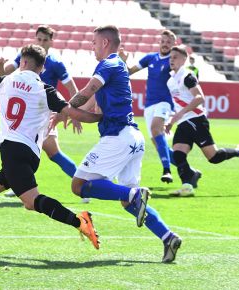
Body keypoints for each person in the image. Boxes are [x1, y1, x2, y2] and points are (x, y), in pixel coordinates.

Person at [0, 44, 102, 251]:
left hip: (12, 150)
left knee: (31, 202)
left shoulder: (6, 81)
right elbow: (73, 112)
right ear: (42, 69)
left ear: (22, 62)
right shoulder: (45, 89)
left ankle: (80, 221)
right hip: (29, 153)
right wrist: (100, 117)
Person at [54, 25, 182, 263]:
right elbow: (91, 110)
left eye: (94, 43)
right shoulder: (116, 70)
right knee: (128, 203)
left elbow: (86, 91)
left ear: (104, 43)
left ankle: (134, 193)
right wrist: (68, 113)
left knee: (79, 185)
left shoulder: (109, 64)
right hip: (132, 139)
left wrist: (62, 108)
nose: (92, 47)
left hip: (119, 138)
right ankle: (167, 237)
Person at [0, 25, 90, 203]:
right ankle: (20, 185)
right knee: (23, 148)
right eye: (38, 39)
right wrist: (1, 64)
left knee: (53, 153)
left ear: (51, 42)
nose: (41, 42)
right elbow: (3, 74)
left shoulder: (55, 63)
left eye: (45, 40)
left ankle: (83, 186)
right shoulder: (25, 57)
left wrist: (76, 112)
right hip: (28, 114)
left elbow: (71, 87)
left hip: (44, 114)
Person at [165, 46, 239, 197]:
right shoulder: (170, 80)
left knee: (213, 157)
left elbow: (200, 98)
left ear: (184, 59)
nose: (171, 59)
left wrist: (178, 115)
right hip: (183, 122)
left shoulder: (188, 76)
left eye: (175, 57)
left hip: (196, 120)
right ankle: (187, 186)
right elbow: (179, 103)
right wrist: (172, 120)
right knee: (178, 154)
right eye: (170, 57)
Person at [119, 30, 178, 184]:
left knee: (156, 129)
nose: (165, 44)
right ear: (159, 42)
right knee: (157, 142)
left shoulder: (172, 62)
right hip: (149, 104)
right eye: (163, 41)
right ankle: (187, 169)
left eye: (168, 42)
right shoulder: (151, 58)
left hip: (165, 102)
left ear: (174, 45)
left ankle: (167, 170)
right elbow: (129, 72)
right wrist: (123, 60)